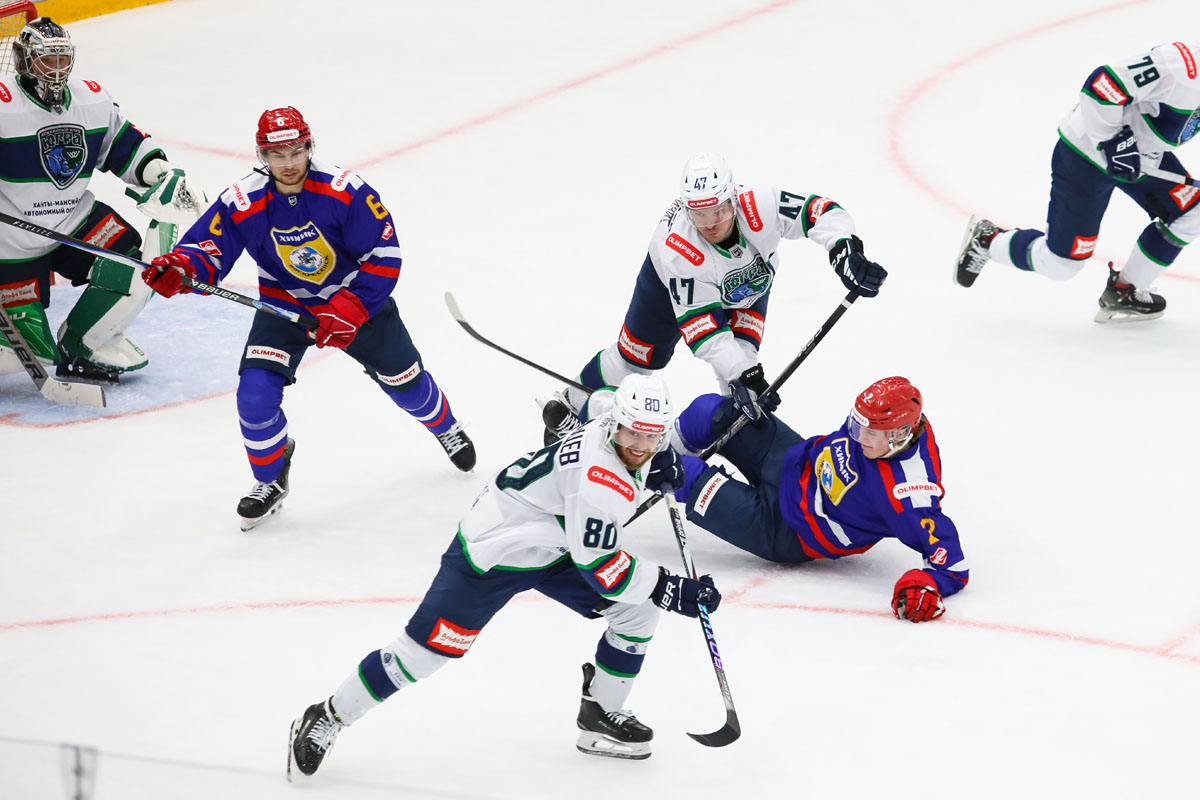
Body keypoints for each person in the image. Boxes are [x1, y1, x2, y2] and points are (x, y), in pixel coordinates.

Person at [285, 374, 721, 778]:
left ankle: (599, 715)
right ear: (616, 426)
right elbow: (603, 568)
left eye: (651, 436)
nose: (640, 446)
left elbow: (602, 401)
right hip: (497, 550)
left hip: (555, 539)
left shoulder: (613, 415)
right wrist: (668, 587)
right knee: (422, 656)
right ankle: (329, 714)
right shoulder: (600, 481)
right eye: (633, 435)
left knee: (637, 612)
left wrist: (661, 455)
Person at [142, 106, 476, 530]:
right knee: (254, 397)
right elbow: (208, 248)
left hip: (357, 305)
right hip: (284, 309)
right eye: (277, 155)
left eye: (296, 152)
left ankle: (445, 426)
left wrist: (350, 308)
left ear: (309, 147)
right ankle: (270, 478)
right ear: (262, 155)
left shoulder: (344, 191)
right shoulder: (242, 200)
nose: (288, 163)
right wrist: (183, 267)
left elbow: (384, 254)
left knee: (407, 384)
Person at [541, 153, 888, 444]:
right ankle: (575, 400)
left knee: (744, 368)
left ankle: (742, 444)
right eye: (699, 214)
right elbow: (705, 331)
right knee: (637, 359)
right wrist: (744, 374)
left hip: (747, 284)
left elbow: (816, 211)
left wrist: (844, 249)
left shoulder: (760, 203)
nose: (710, 223)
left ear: (733, 197)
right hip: (665, 287)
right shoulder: (679, 251)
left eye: (718, 211)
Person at [662, 375, 968, 623]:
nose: (859, 437)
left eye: (870, 433)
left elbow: (952, 566)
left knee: (682, 474)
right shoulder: (892, 424)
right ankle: (646, 447)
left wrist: (922, 586)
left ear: (899, 435)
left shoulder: (909, 495)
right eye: (857, 425)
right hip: (790, 461)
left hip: (785, 529)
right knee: (710, 411)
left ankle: (634, 471)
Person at [0, 17, 203, 384]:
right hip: (12, 240)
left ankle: (83, 344)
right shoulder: (3, 106)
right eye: (47, 60)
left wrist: (159, 172)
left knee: (135, 267)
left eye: (62, 59)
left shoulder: (91, 99)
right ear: (24, 60)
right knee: (26, 350)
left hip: (72, 220)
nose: (56, 69)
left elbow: (125, 147)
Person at [955, 40, 1200, 323]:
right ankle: (989, 240)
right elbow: (1103, 85)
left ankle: (1126, 291)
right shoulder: (1182, 66)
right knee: (1060, 265)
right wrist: (1111, 140)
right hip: (1086, 153)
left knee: (1192, 211)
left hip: (1143, 158)